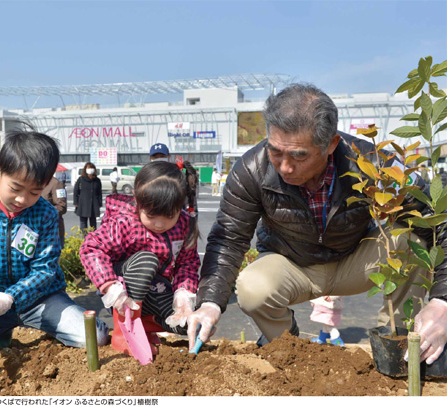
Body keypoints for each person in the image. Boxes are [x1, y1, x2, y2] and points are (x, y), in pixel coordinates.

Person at [187, 83, 447, 367]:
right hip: (292, 265)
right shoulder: (250, 171)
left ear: (331, 145)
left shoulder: (373, 163)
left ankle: (399, 346)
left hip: (355, 261)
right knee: (251, 287)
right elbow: (228, 239)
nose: (285, 167)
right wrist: (210, 303)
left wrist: (443, 301)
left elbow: (437, 223)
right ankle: (286, 344)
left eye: (299, 155)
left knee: (411, 244)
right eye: (275, 151)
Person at [0, 131, 109, 367]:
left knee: (95, 338)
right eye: (15, 188)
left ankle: (46, 325)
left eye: (34, 192)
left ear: (45, 185)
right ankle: (0, 334)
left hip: (42, 300)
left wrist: (10, 297)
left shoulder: (45, 214)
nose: (22, 199)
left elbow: (45, 270)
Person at [80, 160, 200, 355]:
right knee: (147, 260)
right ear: (137, 200)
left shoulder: (185, 224)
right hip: (125, 290)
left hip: (157, 290)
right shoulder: (125, 221)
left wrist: (184, 295)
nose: (160, 224)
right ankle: (123, 332)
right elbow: (91, 248)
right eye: (151, 216)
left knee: (191, 322)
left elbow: (188, 262)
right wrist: (110, 287)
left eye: (170, 216)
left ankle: (145, 325)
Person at [73, 162, 102, 233]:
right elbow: (76, 191)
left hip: (94, 204)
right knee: (83, 223)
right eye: (89, 168)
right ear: (85, 169)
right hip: (83, 204)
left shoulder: (97, 180)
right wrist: (76, 202)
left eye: (92, 168)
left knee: (93, 223)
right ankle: (84, 238)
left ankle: (93, 238)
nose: (90, 170)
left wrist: (99, 203)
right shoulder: (81, 179)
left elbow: (99, 193)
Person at [41, 176, 67, 248]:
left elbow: (62, 206)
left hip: (53, 232)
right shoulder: (33, 182)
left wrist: (43, 214)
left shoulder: (56, 183)